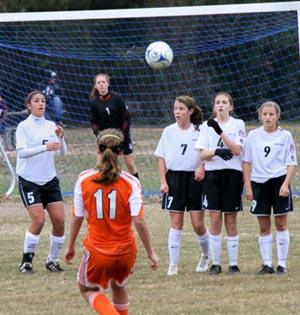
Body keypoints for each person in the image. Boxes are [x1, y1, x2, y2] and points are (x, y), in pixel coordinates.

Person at [64, 128, 159, 315]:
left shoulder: (84, 180)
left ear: (98, 150)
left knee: (87, 290)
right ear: (121, 152)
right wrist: (151, 252)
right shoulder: (131, 182)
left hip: (98, 251)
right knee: (118, 284)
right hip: (126, 251)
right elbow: (139, 221)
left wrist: (70, 246)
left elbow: (77, 216)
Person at [154, 95, 210, 276]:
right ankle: (173, 264)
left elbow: (208, 154)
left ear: (191, 111)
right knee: (176, 222)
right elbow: (161, 158)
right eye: (175, 109)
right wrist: (163, 181)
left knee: (197, 224)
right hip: (174, 180)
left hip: (195, 180)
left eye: (181, 109)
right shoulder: (169, 131)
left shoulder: (201, 130)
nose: (177, 112)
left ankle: (205, 255)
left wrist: (202, 167)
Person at [243, 101, 297, 274]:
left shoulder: (285, 135)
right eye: (264, 114)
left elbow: (291, 163)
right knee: (264, 225)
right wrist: (248, 186)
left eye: (271, 114)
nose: (267, 117)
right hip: (259, 183)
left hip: (279, 181)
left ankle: (282, 264)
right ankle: (267, 264)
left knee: (281, 224)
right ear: (260, 116)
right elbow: (246, 162)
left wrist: (285, 184)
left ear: (277, 116)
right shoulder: (253, 136)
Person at [16, 90, 67, 273]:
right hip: (29, 180)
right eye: (36, 101)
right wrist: (45, 147)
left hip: (49, 179)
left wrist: (61, 138)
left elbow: (62, 153)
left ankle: (52, 261)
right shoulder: (23, 127)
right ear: (29, 105)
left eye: (43, 101)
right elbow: (21, 152)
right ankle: (26, 262)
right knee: (38, 221)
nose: (41, 104)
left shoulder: (51, 125)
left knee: (60, 221)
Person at [195, 92, 246, 275]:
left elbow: (237, 150)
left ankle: (233, 264)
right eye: (218, 102)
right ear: (214, 107)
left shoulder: (238, 124)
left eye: (224, 102)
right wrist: (216, 151)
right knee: (215, 217)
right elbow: (202, 154)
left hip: (232, 174)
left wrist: (220, 132)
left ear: (230, 107)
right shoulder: (205, 126)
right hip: (213, 175)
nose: (221, 105)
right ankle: (215, 263)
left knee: (230, 219)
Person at [90, 73, 139, 178]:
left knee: (130, 165)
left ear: (108, 84)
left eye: (103, 82)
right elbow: (93, 122)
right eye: (99, 82)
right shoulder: (94, 103)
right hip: (105, 139)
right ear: (96, 86)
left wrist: (122, 135)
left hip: (122, 137)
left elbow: (126, 119)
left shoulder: (117, 99)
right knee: (100, 165)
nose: (101, 84)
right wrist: (99, 135)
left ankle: (138, 189)